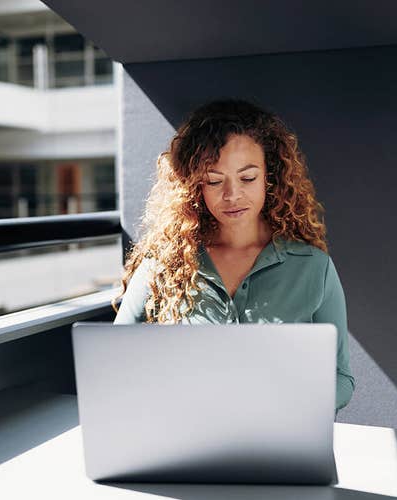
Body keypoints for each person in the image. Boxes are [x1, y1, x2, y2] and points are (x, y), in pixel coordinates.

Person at [113, 99, 355, 411]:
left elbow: (341, 378)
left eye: (248, 177)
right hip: (185, 437)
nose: (232, 195)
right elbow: (115, 366)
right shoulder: (163, 265)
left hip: (279, 441)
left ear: (270, 175)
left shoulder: (313, 268)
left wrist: (293, 407)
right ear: (194, 185)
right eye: (214, 181)